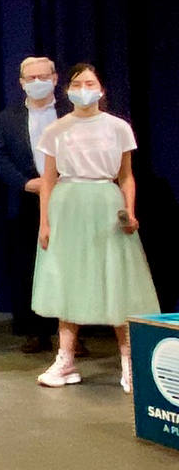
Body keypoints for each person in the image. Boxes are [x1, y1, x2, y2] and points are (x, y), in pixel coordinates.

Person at [31, 64, 159, 392]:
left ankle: (130, 362)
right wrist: (45, 222)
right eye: (77, 83)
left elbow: (126, 175)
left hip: (105, 202)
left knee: (116, 278)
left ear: (101, 89)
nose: (83, 88)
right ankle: (66, 360)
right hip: (68, 205)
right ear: (68, 89)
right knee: (68, 280)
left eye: (90, 82)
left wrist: (129, 211)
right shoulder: (56, 130)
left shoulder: (118, 128)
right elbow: (48, 180)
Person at [0, 56, 72, 354]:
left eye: (43, 76)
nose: (37, 83)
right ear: (22, 82)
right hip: (26, 200)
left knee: (70, 265)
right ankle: (36, 332)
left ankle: (73, 334)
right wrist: (28, 183)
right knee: (28, 267)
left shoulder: (70, 112)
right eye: (30, 78)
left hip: (69, 196)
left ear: (54, 78)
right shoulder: (7, 117)